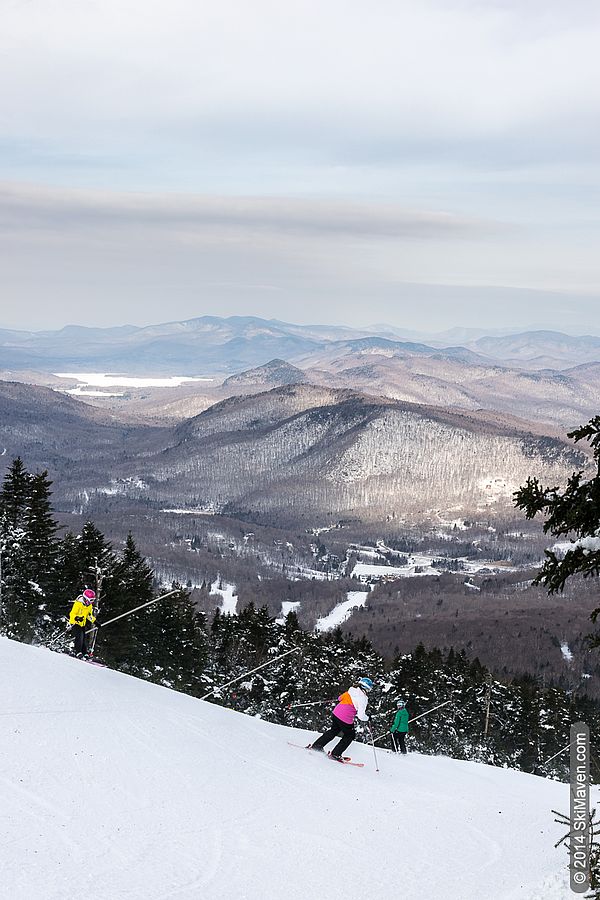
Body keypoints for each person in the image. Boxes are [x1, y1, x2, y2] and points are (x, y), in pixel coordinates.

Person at [309, 677, 373, 761]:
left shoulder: (351, 690)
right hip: (345, 717)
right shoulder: (363, 698)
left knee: (334, 730)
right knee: (350, 735)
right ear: (366, 688)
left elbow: (340, 698)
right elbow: (361, 716)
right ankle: (336, 754)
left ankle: (317, 745)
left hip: (336, 713)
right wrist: (367, 718)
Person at [69, 589, 96, 657]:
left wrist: (95, 621)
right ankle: (78, 652)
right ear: (85, 599)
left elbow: (88, 615)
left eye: (93, 600)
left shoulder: (89, 606)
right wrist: (77, 617)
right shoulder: (78, 604)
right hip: (75, 623)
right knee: (79, 637)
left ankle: (84, 652)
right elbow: (72, 614)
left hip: (82, 624)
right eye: (91, 600)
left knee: (84, 638)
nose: (91, 602)